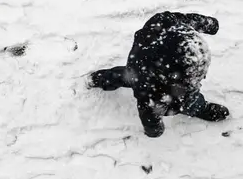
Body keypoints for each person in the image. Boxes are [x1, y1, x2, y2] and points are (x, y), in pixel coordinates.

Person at [88, 11, 229, 137]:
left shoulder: (166, 23)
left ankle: (103, 78)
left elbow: (185, 20)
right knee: (187, 100)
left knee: (127, 75)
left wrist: (207, 24)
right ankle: (198, 107)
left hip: (145, 57)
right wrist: (154, 129)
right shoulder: (153, 90)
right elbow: (148, 112)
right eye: (193, 78)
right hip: (145, 69)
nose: (201, 79)